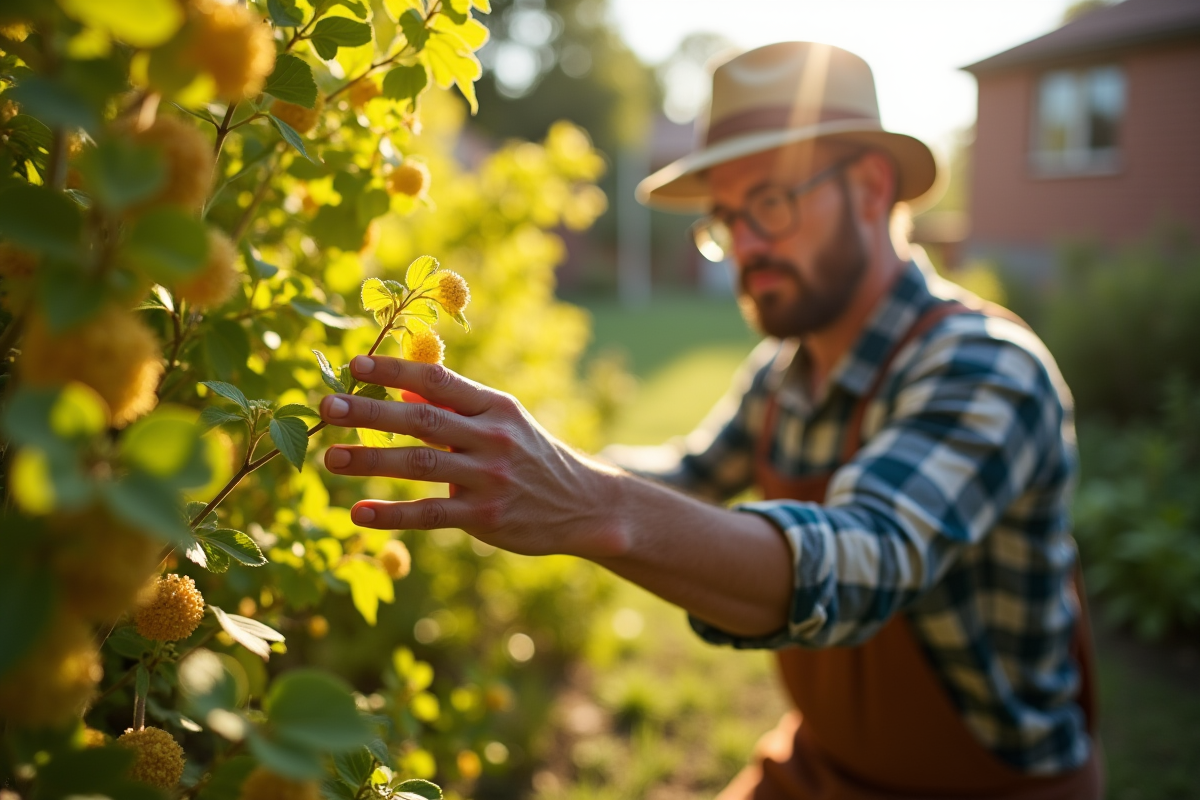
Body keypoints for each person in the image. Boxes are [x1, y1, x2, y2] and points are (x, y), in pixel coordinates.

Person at [317, 41, 1102, 799]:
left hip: (995, 786)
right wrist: (516, 455)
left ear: (869, 188)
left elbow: (867, 559)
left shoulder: (987, 368)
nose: (746, 246)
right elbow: (687, 475)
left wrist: (589, 502)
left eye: (769, 202)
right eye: (726, 219)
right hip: (823, 765)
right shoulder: (789, 371)